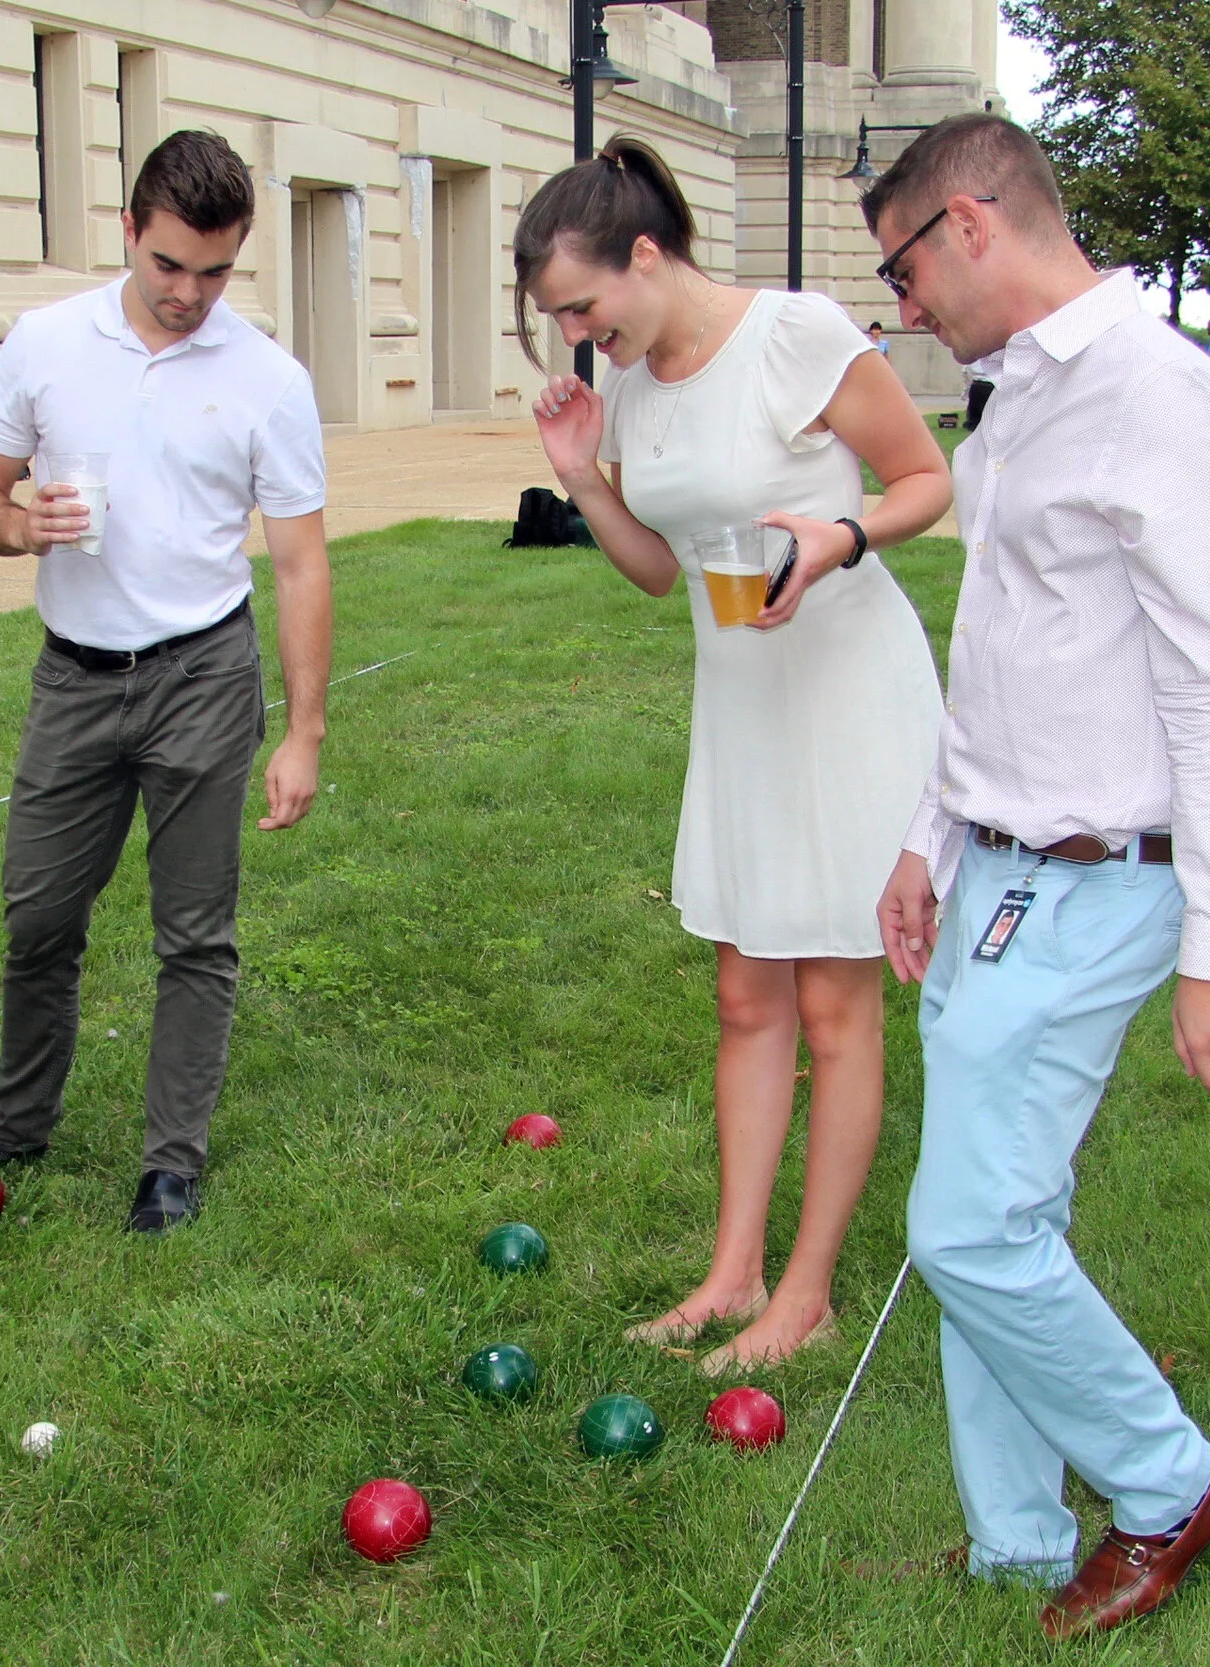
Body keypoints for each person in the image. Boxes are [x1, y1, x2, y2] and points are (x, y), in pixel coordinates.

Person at [863, 113, 1210, 1638]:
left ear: (970, 225)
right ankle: (1019, 1539)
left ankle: (1173, 1485)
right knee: (989, 1211)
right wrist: (932, 833)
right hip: (998, 864)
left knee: (967, 1228)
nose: (901, 300)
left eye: (902, 262)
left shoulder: (1161, 401)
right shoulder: (1016, 404)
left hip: (1107, 877)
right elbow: (1001, 654)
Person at [520, 136, 951, 1372]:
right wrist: (583, 480)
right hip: (744, 703)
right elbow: (665, 572)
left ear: (645, 255)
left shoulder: (799, 335)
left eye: (581, 304)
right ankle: (732, 1270)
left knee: (832, 1004)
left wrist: (840, 533)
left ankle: (804, 1294)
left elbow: (927, 479)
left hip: (847, 688)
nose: (576, 334)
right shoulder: (641, 381)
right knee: (743, 993)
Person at [0, 131, 333, 1233]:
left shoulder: (267, 379)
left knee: (194, 931)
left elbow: (299, 560)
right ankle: (17, 1122)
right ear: (129, 235)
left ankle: (170, 1163)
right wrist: (14, 523)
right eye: (168, 266)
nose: (189, 293)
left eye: (214, 271)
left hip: (202, 671)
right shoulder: (47, 342)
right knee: (38, 913)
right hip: (75, 677)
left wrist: (305, 732)